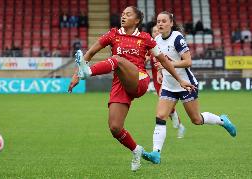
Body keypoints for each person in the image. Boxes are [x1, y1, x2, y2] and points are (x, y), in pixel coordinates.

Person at [68, 6, 195, 171]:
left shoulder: (146, 38)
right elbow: (91, 52)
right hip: (120, 84)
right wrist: (76, 75)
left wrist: (179, 79)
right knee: (115, 127)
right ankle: (136, 151)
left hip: (139, 79)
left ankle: (88, 72)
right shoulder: (113, 34)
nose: (123, 17)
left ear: (137, 20)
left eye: (128, 14)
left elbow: (164, 61)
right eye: (122, 14)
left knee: (117, 59)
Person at [142, 11, 237, 165]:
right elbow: (159, 59)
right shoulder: (156, 40)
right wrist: (160, 71)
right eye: (158, 21)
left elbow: (188, 62)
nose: (160, 24)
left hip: (186, 84)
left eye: (164, 21)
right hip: (169, 86)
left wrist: (168, 65)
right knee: (160, 117)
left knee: (196, 120)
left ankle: (222, 120)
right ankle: (156, 153)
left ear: (171, 23)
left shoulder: (177, 38)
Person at [148, 25, 185, 138]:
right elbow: (146, 57)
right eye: (153, 31)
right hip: (156, 78)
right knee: (166, 106)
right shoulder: (151, 46)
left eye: (157, 31)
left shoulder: (163, 45)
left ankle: (178, 124)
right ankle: (178, 124)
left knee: (164, 104)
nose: (155, 33)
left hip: (167, 77)